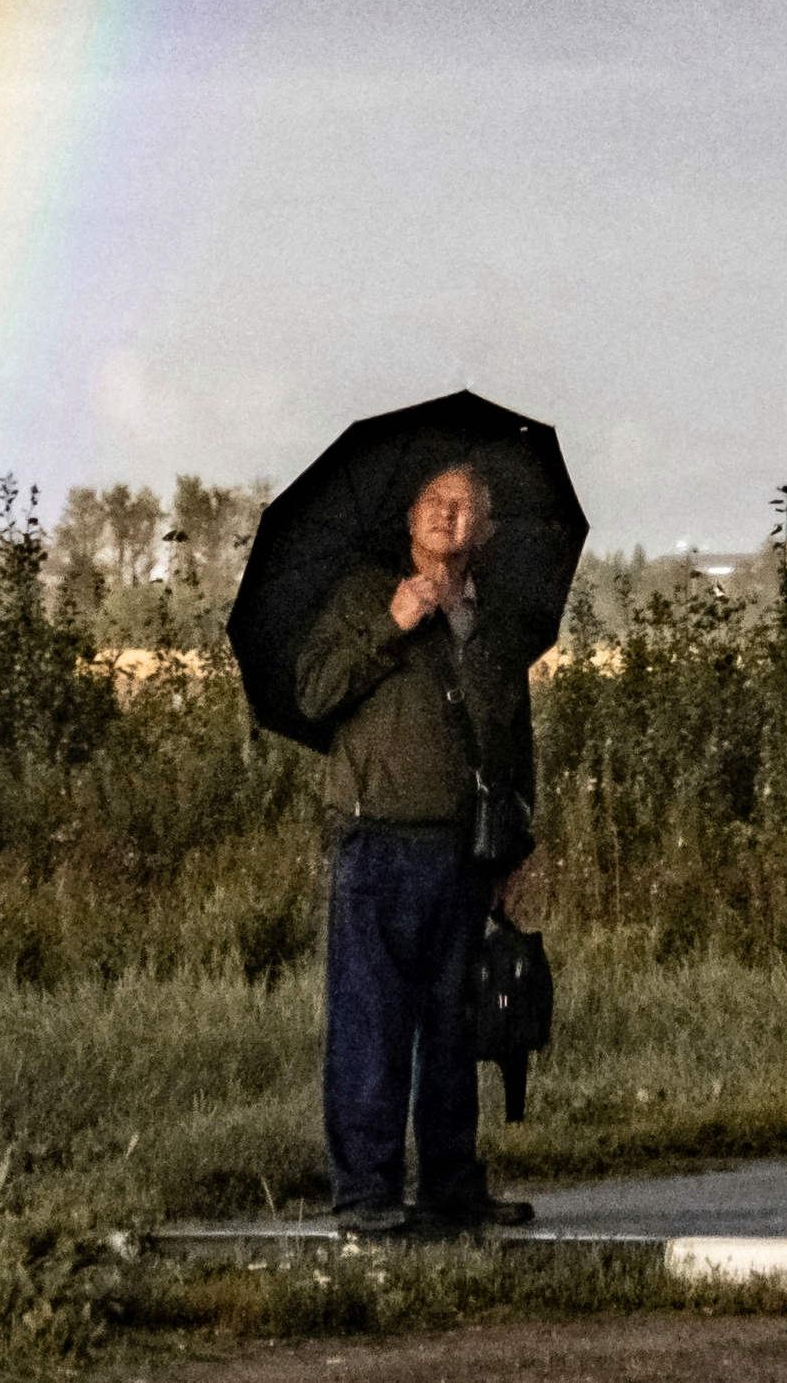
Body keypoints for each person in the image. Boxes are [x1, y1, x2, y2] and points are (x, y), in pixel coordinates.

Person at [293, 461, 537, 1233]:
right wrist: (389, 626)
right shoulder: (366, 596)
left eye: (467, 506)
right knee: (371, 1026)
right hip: (378, 846)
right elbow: (314, 695)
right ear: (409, 519)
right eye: (436, 501)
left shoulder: (491, 627)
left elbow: (513, 743)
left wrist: (513, 853)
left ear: (486, 532)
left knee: (455, 1031)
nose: (450, 515)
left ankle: (452, 1190)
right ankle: (365, 1195)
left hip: (465, 853)